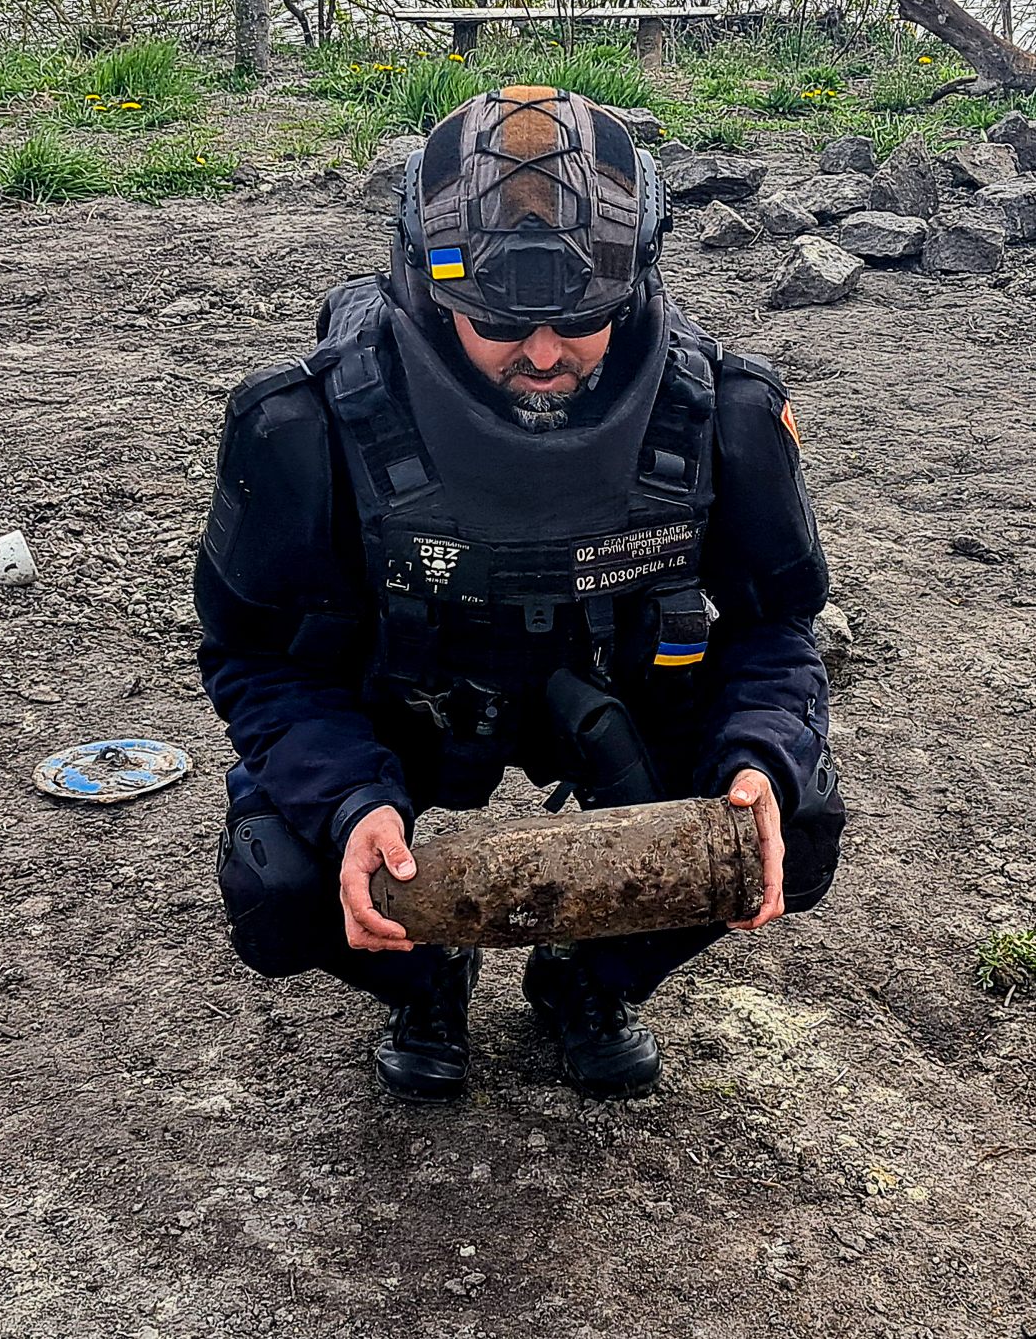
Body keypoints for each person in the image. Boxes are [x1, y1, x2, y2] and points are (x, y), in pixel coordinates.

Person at [194, 85, 844, 1103]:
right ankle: (420, 978)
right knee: (278, 877)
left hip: (620, 686)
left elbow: (775, 627)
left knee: (784, 828)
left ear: (635, 282)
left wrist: (758, 755)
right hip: (402, 697)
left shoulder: (725, 412)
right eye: (498, 323)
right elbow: (253, 655)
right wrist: (350, 799)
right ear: (426, 277)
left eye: (582, 320)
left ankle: (589, 977)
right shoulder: (301, 425)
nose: (543, 355)